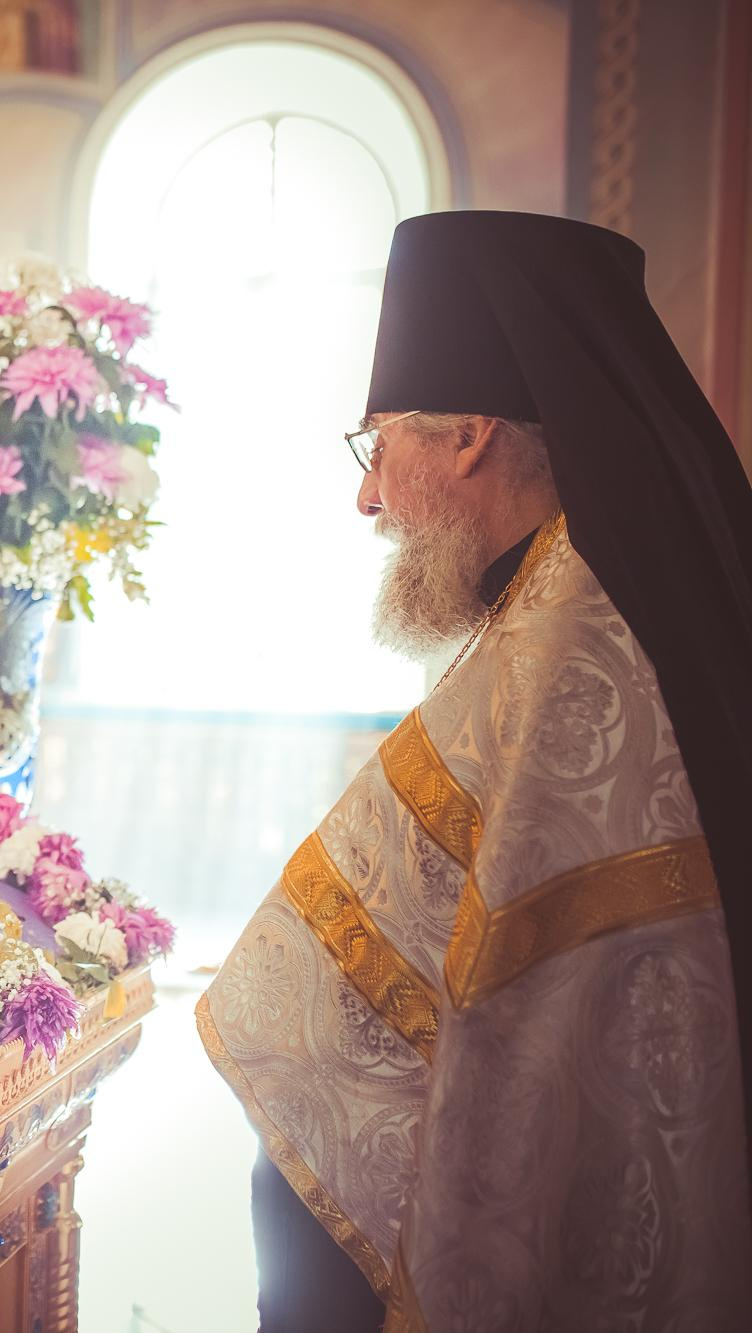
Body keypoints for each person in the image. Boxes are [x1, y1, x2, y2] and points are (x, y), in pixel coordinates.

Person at [201, 210, 752, 1329]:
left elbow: (541, 994)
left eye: (377, 448)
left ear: (466, 437)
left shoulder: (574, 632)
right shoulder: (567, 589)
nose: (366, 497)